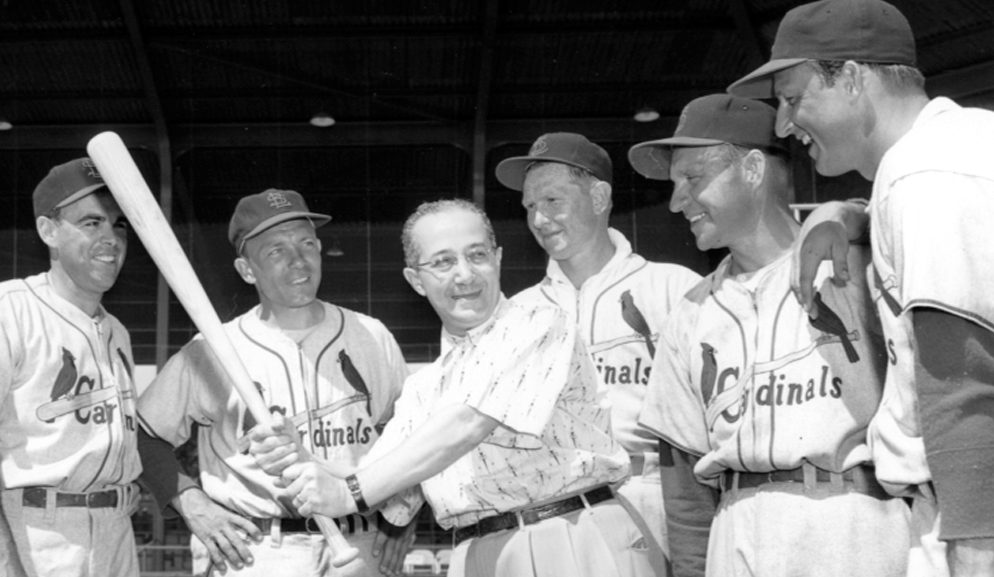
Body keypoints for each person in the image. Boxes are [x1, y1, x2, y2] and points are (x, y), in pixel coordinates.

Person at [251, 199, 655, 577]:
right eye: (443, 262)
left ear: (497, 260)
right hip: (474, 551)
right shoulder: (425, 385)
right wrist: (305, 458)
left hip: (568, 534)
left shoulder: (538, 322)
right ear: (416, 280)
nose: (464, 274)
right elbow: (380, 474)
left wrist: (348, 493)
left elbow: (467, 423)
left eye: (477, 254)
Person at [727, 0, 994, 574]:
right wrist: (850, 215)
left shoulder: (926, 176)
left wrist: (974, 546)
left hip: (977, 518)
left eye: (794, 98)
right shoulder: (953, 150)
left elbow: (963, 374)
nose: (783, 124)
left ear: (850, 79)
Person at [630, 94, 910, 576]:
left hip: (855, 520)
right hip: (736, 522)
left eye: (692, 179)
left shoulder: (852, 263)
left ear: (754, 169)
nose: (677, 201)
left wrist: (847, 213)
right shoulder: (691, 313)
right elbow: (685, 490)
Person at [135, 189, 415, 577]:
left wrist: (405, 516)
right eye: (275, 251)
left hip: (362, 542)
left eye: (305, 244)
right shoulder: (212, 349)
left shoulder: (371, 335)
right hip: (259, 550)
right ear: (247, 270)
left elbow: (412, 436)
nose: (298, 260)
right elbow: (143, 436)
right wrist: (193, 504)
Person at [495, 132, 700, 574]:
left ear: (600, 196)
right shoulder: (518, 312)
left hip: (653, 493)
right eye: (529, 206)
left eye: (552, 200)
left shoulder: (672, 287)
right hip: (554, 509)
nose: (539, 218)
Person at [0, 158, 142, 577]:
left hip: (116, 530)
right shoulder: (2, 309)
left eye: (118, 225)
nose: (110, 239)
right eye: (91, 223)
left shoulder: (116, 331)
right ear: (49, 231)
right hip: (34, 532)